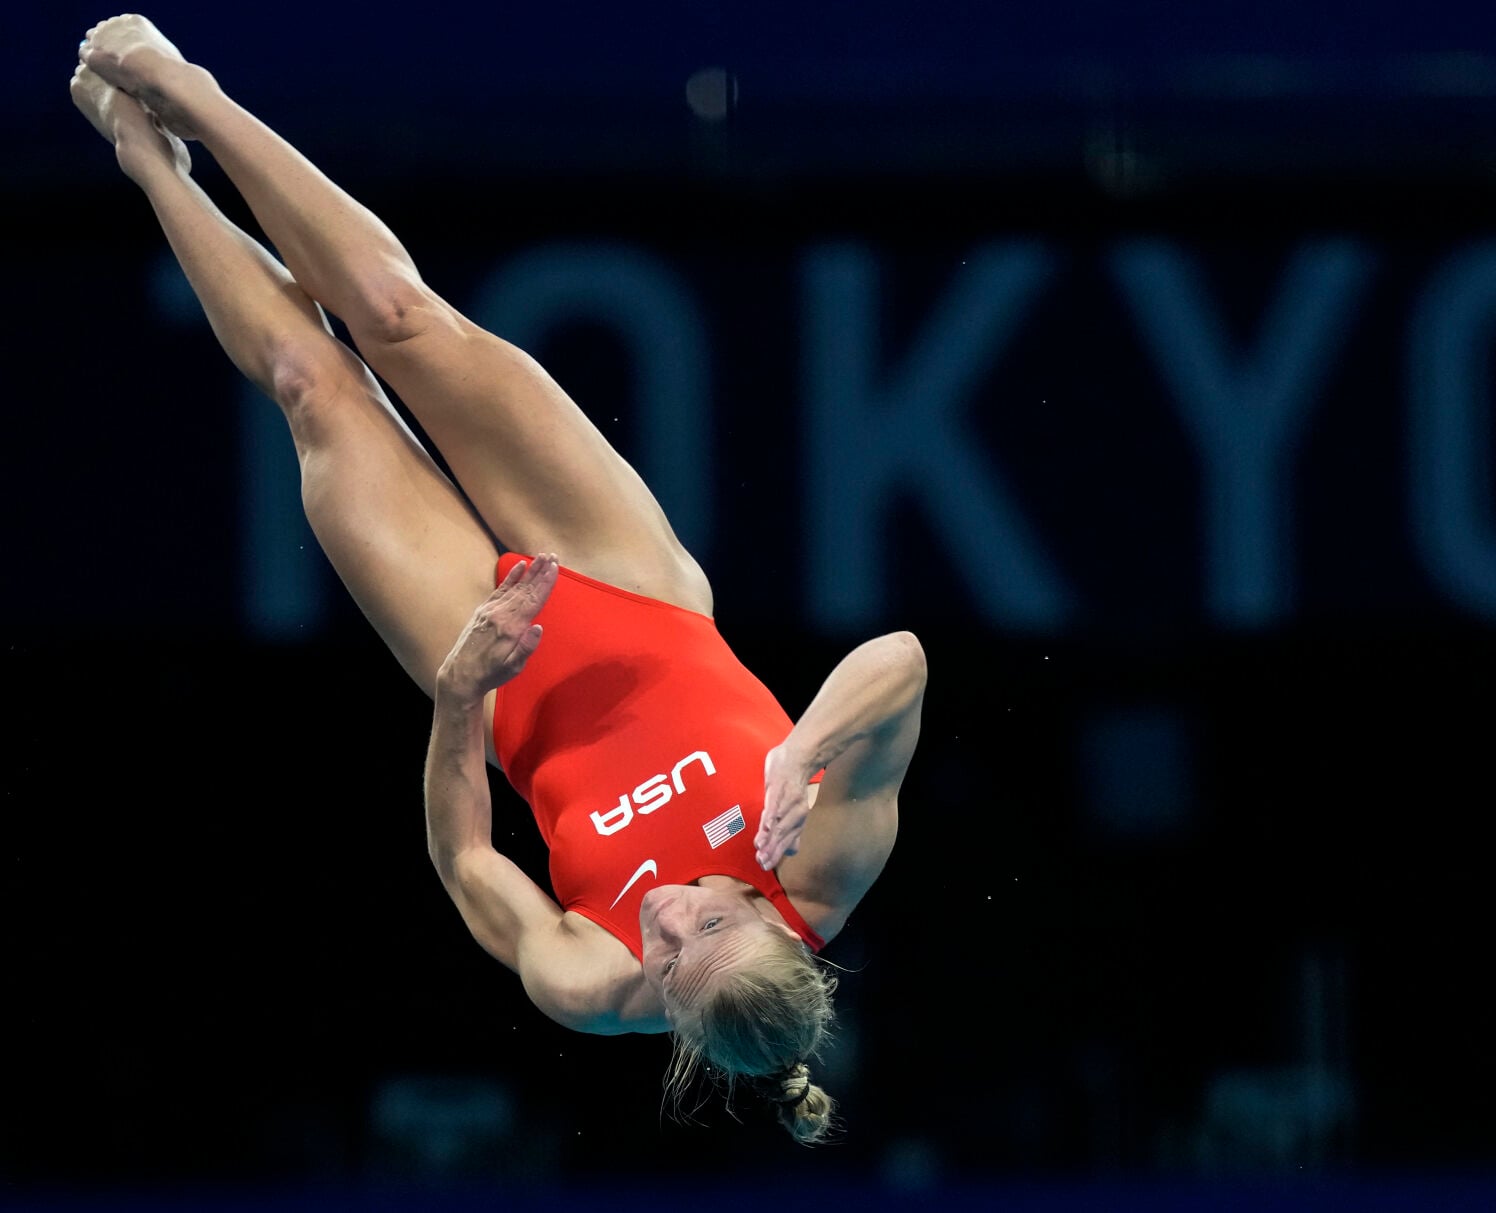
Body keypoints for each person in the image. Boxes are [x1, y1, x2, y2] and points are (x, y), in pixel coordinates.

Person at [72, 15, 925, 1144]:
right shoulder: (829, 860)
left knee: (315, 387)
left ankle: (147, 155)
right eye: (704, 924)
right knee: (397, 321)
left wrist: (465, 689)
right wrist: (806, 747)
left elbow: (465, 857)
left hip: (495, 672)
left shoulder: (588, 986)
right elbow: (903, 663)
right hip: (630, 579)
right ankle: (195, 95)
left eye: (664, 966)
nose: (662, 918)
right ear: (779, 929)